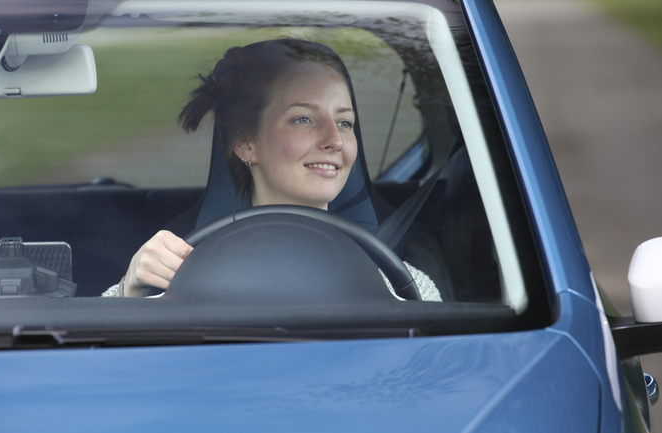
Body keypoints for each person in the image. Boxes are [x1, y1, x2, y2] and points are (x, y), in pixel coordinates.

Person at [103, 38, 441, 300]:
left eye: (345, 123)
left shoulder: (402, 282)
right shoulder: (173, 268)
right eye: (304, 119)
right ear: (245, 143)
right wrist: (129, 288)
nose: (335, 140)